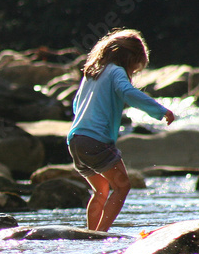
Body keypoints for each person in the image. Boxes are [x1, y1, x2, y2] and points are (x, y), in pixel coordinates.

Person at [67, 29, 176, 232]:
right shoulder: (116, 71)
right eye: (135, 69)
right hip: (95, 141)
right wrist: (160, 110)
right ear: (129, 58)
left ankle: (90, 235)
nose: (133, 74)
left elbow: (77, 106)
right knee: (122, 186)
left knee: (100, 191)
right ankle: (100, 234)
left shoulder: (92, 73)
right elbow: (127, 92)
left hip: (76, 140)